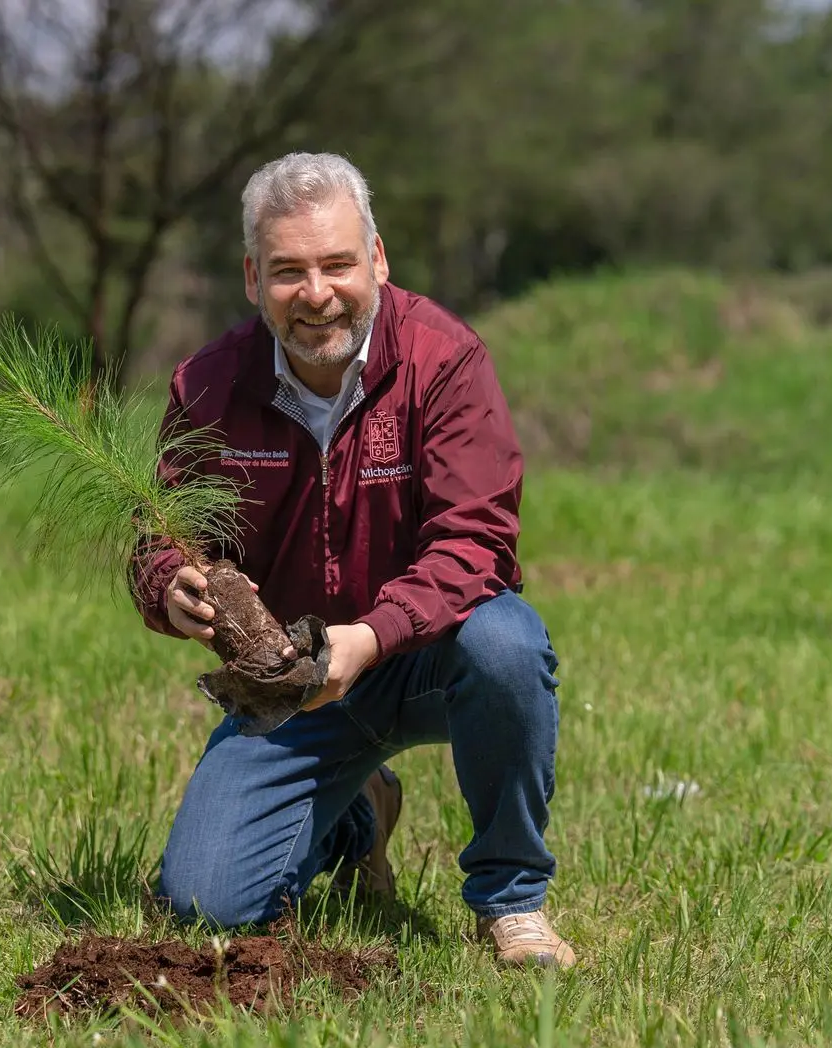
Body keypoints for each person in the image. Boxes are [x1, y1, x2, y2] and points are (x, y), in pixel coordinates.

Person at [129, 151, 574, 969]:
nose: (318, 293)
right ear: (252, 277)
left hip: (433, 657)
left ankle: (510, 900)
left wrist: (371, 636)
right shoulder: (209, 384)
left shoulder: (445, 361)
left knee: (508, 645)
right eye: (289, 271)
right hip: (295, 684)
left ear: (376, 257)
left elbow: (476, 542)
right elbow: (161, 531)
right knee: (206, 908)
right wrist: (171, 586)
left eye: (337, 263)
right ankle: (357, 817)